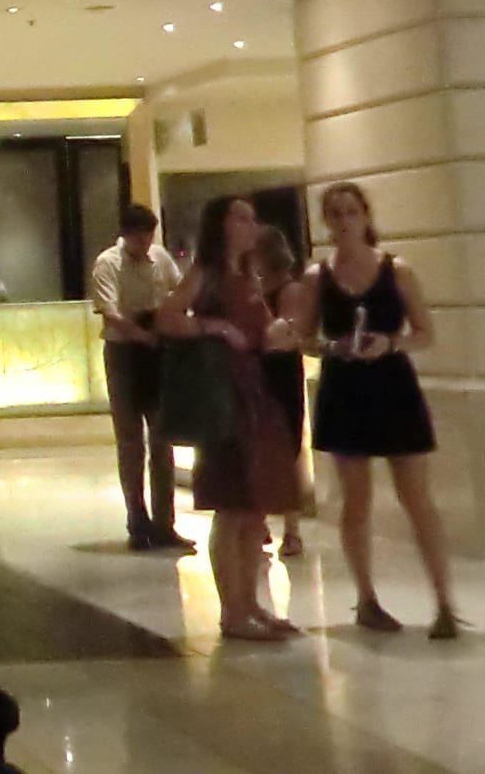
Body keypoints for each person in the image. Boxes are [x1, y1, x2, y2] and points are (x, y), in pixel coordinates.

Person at [289, 181, 459, 639]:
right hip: (345, 386)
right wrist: (333, 346)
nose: (344, 221)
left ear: (365, 217)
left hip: (392, 384)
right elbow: (303, 337)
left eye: (351, 212)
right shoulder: (317, 277)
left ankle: (444, 601)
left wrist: (390, 342)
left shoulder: (396, 270)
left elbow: (425, 332)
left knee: (416, 496)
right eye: (335, 213)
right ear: (326, 222)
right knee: (355, 499)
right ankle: (366, 598)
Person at [158, 197, 301, 641]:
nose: (250, 225)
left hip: (253, 392)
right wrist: (213, 328)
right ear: (220, 224)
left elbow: (263, 330)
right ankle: (232, 611)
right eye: (241, 217)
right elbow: (167, 317)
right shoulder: (207, 272)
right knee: (231, 505)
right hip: (224, 396)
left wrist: (288, 330)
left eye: (252, 218)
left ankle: (250, 602)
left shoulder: (248, 275)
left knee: (253, 507)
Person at [89, 205, 186, 551]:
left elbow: (180, 291)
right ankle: (137, 521)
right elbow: (110, 312)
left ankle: (165, 524)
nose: (145, 244)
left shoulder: (159, 258)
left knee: (163, 438)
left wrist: (168, 323)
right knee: (130, 441)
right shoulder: (107, 263)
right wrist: (142, 335)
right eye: (140, 238)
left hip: (157, 352)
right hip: (124, 354)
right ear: (126, 234)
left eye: (149, 237)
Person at [253, 224, 313, 558]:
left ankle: (291, 529)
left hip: (280, 372)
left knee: (286, 448)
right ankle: (261, 520)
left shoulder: (289, 290)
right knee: (260, 447)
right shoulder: (258, 289)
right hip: (260, 370)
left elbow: (290, 335)